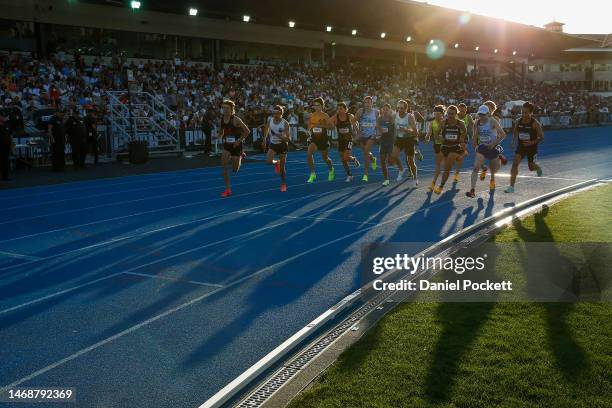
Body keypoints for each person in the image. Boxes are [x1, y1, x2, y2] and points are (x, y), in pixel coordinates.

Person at [466, 105, 507, 198]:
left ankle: (498, 160)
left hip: (493, 147)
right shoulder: (477, 122)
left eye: (483, 114)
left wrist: (494, 143)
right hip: (483, 147)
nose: (481, 116)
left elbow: (503, 134)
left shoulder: (492, 121)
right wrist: (475, 146)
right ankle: (472, 190)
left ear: (488, 114)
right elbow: (475, 135)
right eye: (479, 114)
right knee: (476, 168)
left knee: (494, 169)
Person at [505, 102, 544, 193]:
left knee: (531, 167)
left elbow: (542, 137)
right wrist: (513, 141)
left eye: (526, 112)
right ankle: (511, 187)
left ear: (531, 113)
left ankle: (537, 167)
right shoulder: (518, 121)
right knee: (515, 164)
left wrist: (531, 142)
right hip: (521, 146)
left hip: (532, 148)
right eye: (522, 112)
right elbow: (515, 131)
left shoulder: (535, 123)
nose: (524, 114)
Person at [219, 99, 250, 197]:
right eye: (223, 108)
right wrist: (218, 136)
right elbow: (222, 131)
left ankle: (240, 155)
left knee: (235, 169)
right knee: (223, 167)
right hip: (227, 145)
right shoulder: (222, 119)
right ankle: (228, 190)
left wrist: (239, 141)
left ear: (232, 109)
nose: (225, 110)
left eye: (227, 108)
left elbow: (247, 131)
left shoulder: (236, 119)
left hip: (237, 146)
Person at [433, 105, 467, 194]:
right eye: (448, 113)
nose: (450, 115)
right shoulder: (443, 123)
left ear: (456, 114)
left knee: (447, 168)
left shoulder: (460, 123)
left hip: (455, 147)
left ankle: (441, 186)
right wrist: (440, 138)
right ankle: (459, 157)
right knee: (440, 164)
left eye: (452, 114)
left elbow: (465, 131)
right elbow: (436, 133)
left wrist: (462, 137)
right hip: (444, 147)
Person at [306, 97, 334, 183]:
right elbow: (309, 127)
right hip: (314, 139)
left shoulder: (325, 115)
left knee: (325, 159)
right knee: (309, 154)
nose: (316, 107)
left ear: (322, 106)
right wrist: (310, 130)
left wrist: (321, 126)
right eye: (315, 105)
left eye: (318, 105)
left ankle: (331, 170)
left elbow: (332, 127)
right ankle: (312, 173)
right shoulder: (311, 115)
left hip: (323, 139)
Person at [330, 102, 360, 182]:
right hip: (340, 140)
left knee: (345, 157)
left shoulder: (349, 116)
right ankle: (349, 174)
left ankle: (352, 159)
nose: (339, 110)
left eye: (341, 109)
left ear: (345, 109)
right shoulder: (335, 117)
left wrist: (357, 134)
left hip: (349, 140)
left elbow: (356, 124)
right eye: (338, 109)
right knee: (343, 160)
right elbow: (329, 123)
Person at [263, 105, 290, 192]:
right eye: (274, 113)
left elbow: (288, 139)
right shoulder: (270, 120)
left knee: (282, 169)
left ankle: (283, 184)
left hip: (282, 145)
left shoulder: (285, 123)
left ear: (281, 113)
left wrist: (281, 136)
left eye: (277, 113)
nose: (275, 115)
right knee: (268, 161)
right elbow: (266, 128)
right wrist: (264, 139)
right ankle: (276, 162)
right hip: (273, 144)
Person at [392, 99, 419, 184]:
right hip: (399, 139)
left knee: (410, 161)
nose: (400, 110)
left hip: (409, 139)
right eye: (398, 108)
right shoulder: (394, 115)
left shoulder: (410, 116)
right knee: (393, 156)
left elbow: (415, 132)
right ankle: (401, 169)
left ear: (406, 109)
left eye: (402, 108)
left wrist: (405, 129)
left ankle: (415, 178)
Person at [355, 96, 378, 182]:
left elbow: (379, 122)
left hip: (371, 135)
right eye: (365, 102)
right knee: (366, 152)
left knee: (365, 154)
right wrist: (357, 132)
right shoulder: (360, 111)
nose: (367, 104)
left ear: (372, 103)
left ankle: (366, 174)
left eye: (369, 102)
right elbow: (353, 121)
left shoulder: (376, 112)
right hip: (362, 135)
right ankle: (373, 159)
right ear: (363, 103)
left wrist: (377, 132)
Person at [426, 105, 445, 192]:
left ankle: (437, 183)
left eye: (438, 114)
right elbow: (429, 132)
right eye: (435, 114)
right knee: (438, 165)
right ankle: (433, 183)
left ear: (442, 114)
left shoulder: (445, 122)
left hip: (446, 145)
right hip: (437, 145)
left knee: (443, 164)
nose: (436, 115)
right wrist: (427, 136)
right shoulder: (432, 123)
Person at [453, 103, 473, 182]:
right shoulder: (454, 116)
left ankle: (456, 175)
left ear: (466, 111)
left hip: (464, 137)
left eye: (464, 111)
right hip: (455, 137)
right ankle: (464, 152)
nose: (462, 113)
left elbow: (473, 126)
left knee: (460, 158)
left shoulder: (468, 117)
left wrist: (474, 136)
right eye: (460, 111)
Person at [378, 103, 396, 186]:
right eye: (383, 109)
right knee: (382, 160)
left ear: (389, 110)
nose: (385, 111)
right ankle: (386, 179)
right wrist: (378, 133)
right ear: (381, 110)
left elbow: (393, 129)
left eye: (386, 109)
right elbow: (378, 128)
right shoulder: (379, 118)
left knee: (390, 162)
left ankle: (398, 165)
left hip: (391, 141)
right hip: (383, 141)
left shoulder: (392, 118)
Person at [0, 111, 13, 181]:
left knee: (5, 161)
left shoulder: (7, 125)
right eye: (2, 116)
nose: (4, 117)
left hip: (6, 146)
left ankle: (5, 176)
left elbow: (10, 135)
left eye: (4, 116)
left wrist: (11, 144)